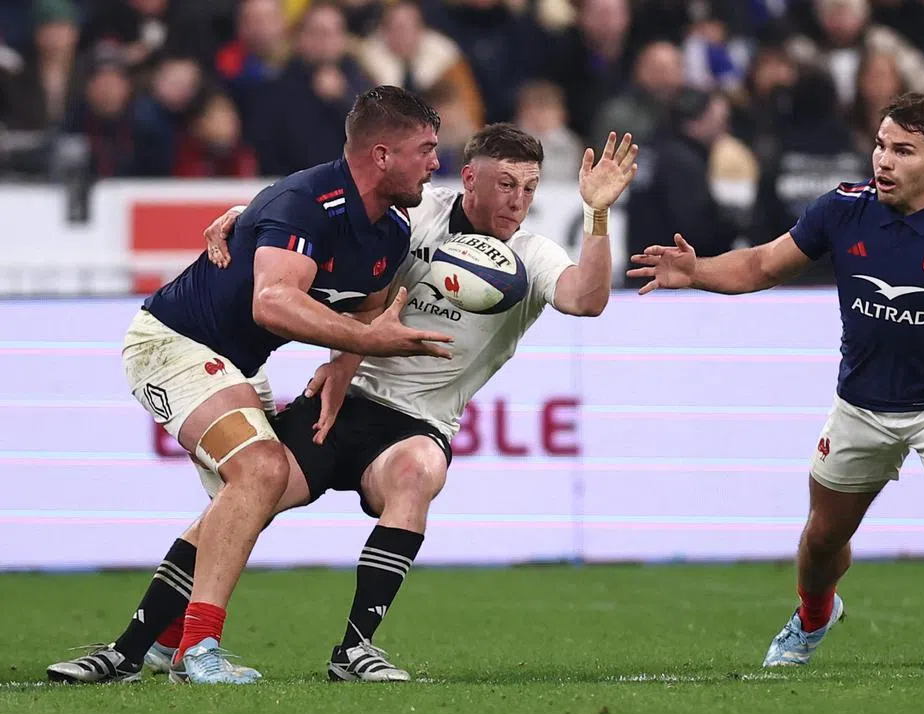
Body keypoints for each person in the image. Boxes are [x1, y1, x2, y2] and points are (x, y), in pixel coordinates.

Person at [47, 124, 638, 683]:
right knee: (250, 491)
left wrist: (598, 211)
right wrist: (250, 220)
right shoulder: (415, 211)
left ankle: (356, 647)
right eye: (506, 183)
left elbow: (586, 300)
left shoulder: (533, 256)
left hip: (419, 423)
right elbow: (324, 213)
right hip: (341, 400)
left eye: (530, 187)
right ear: (471, 179)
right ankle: (132, 645)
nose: (519, 200)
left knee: (417, 472)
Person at [627, 92, 924, 668]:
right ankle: (813, 615)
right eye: (880, 145)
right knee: (821, 542)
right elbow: (761, 265)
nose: (883, 160)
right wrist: (698, 270)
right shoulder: (842, 209)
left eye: (902, 151)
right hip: (860, 407)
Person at [47, 85, 455, 686]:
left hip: (238, 365)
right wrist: (367, 343)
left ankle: (142, 646)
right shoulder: (307, 200)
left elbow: (369, 310)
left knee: (248, 497)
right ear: (381, 155)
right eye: (426, 149)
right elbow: (272, 302)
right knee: (260, 471)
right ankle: (198, 649)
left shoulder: (389, 230)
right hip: (172, 343)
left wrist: (346, 361)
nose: (435, 162)